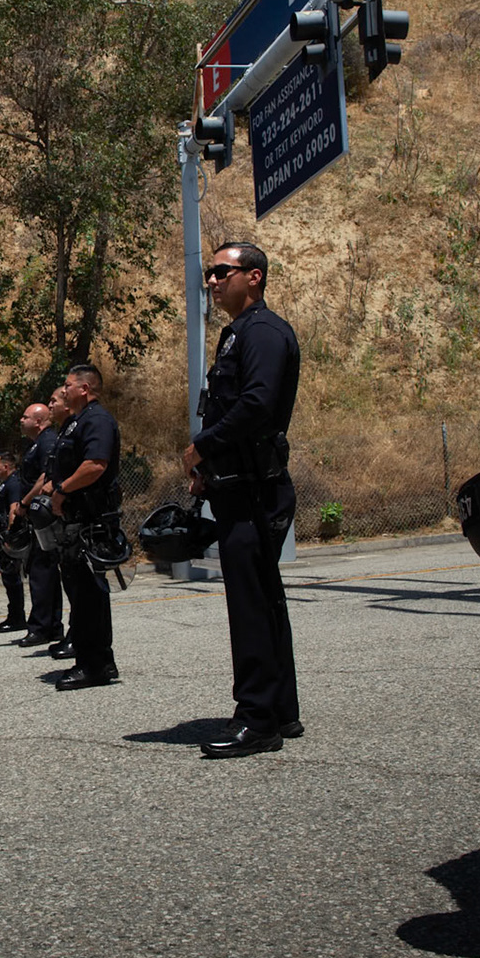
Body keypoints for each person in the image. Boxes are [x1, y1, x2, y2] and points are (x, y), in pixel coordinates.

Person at [181, 243, 303, 760]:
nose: (211, 280)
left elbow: (256, 404)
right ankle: (282, 710)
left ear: (253, 277)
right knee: (264, 600)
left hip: (256, 491)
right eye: (209, 273)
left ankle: (256, 720)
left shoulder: (265, 334)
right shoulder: (239, 335)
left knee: (251, 606)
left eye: (220, 271)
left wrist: (201, 447)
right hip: (237, 484)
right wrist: (210, 471)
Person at [28, 365, 120, 690]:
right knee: (81, 594)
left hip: (91, 521)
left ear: (83, 388)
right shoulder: (74, 424)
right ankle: (96, 660)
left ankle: (94, 664)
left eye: (67, 385)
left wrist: (63, 490)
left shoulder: (96, 420)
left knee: (90, 596)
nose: (63, 391)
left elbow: (95, 465)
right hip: (73, 523)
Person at [9, 404, 63, 649]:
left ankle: (42, 627)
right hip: (35, 515)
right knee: (43, 570)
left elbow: (45, 476)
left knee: (42, 570)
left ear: (39, 421)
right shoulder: (37, 443)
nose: (21, 420)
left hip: (42, 516)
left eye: (25, 416)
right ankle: (49, 625)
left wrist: (24, 503)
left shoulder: (47, 442)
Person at [0, 451, 25, 634]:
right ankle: (14, 614)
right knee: (7, 576)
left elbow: (14, 509)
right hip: (2, 534)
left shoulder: (13, 483)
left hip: (9, 535)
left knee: (12, 576)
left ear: (6, 466)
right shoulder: (5, 484)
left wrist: (10, 536)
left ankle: (18, 617)